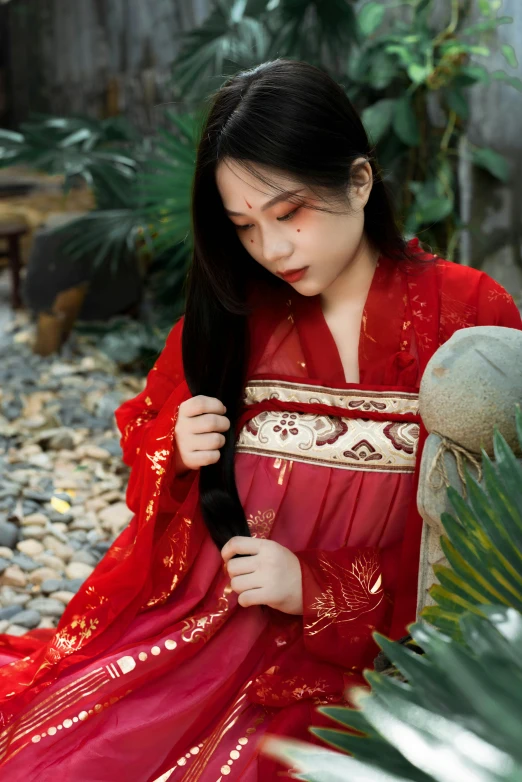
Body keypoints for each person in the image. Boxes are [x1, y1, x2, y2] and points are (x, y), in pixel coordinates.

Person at [0, 58, 520, 781]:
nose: (272, 250)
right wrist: (176, 447)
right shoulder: (236, 310)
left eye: (289, 213)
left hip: (383, 648)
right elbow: (147, 428)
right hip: (220, 623)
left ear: (360, 182)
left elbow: (496, 529)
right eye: (244, 226)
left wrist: (319, 587)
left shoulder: (472, 315)